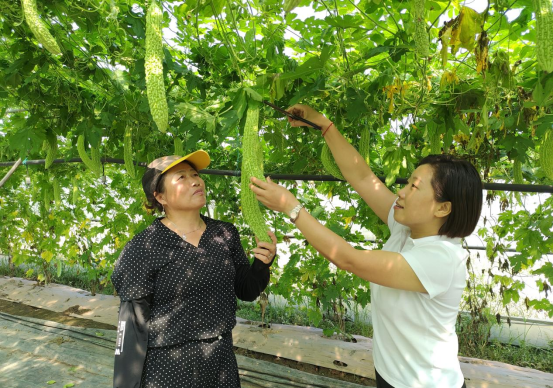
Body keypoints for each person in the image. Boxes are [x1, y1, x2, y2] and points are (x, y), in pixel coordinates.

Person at [249, 105, 482, 388]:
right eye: (407, 183)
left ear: (443, 208)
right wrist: (324, 125)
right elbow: (362, 178)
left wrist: (291, 207)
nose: (401, 191)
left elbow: (350, 260)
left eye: (414, 187)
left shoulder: (442, 258)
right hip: (390, 375)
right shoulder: (407, 229)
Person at [111, 150, 277, 388]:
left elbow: (246, 290)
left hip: (220, 362)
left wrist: (262, 264)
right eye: (181, 178)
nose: (195, 181)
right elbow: (131, 328)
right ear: (160, 197)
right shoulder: (143, 247)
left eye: (195, 174)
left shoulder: (224, 233)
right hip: (169, 369)